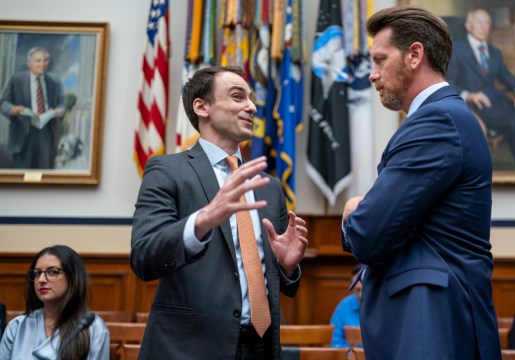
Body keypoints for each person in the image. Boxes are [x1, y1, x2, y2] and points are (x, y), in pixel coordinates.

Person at [341, 5, 501, 359]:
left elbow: (368, 233)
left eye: (380, 60)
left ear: (415, 55)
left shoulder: (436, 121)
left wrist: (352, 210)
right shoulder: (446, 117)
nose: (373, 74)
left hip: (430, 324)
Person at [130, 65, 308, 360]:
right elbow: (144, 256)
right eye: (238, 97)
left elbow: (282, 283)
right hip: (190, 347)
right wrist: (203, 220)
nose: (251, 106)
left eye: (250, 98)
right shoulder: (167, 169)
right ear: (202, 107)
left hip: (261, 348)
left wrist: (287, 267)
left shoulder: (270, 187)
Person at [447, 9, 515, 170]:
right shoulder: (456, 49)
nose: (484, 26)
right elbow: (447, 81)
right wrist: (468, 95)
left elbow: (506, 76)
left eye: (487, 23)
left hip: (497, 100)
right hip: (475, 106)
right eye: (479, 22)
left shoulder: (494, 52)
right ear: (469, 26)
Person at [0, 245, 110, 360]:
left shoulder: (93, 327)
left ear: (73, 277)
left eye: (52, 272)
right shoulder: (17, 327)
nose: (41, 279)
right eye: (37, 273)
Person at [0, 47, 66, 169]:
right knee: (21, 175)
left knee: (43, 173)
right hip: (22, 133)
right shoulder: (15, 79)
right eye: (38, 60)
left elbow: (62, 103)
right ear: (29, 63)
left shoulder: (55, 81)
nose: (42, 64)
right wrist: (13, 109)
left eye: (45, 60)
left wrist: (60, 110)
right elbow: (3, 103)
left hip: (46, 134)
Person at [329, 263, 363, 348]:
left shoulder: (382, 306)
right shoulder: (344, 306)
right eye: (357, 290)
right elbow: (335, 342)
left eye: (364, 290)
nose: (360, 295)